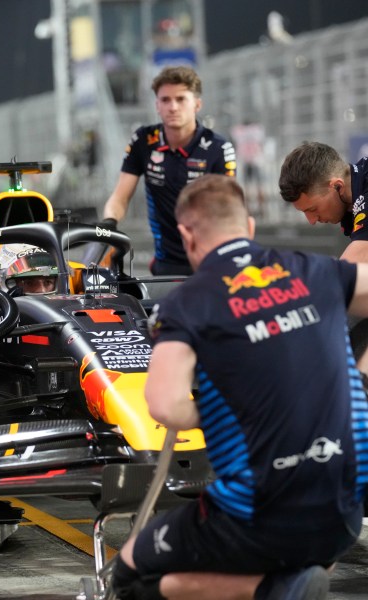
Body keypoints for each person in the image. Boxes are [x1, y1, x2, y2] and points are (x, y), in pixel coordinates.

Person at [112, 174, 368, 600]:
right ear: (248, 227)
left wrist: (224, 406)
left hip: (258, 517)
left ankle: (272, 588)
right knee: (306, 540)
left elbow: (164, 405)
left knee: (130, 573)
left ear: (186, 236)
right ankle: (290, 580)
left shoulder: (186, 303)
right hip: (344, 517)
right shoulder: (317, 270)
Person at [100, 65, 236, 276]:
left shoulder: (218, 148)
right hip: (165, 266)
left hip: (210, 262)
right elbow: (119, 197)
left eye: (181, 99)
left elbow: (229, 210)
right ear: (157, 105)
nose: (173, 107)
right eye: (165, 100)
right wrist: (108, 227)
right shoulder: (143, 141)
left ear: (197, 104)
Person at [279, 141, 368, 264]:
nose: (312, 221)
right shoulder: (350, 205)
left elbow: (350, 268)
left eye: (313, 209)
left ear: (338, 186)